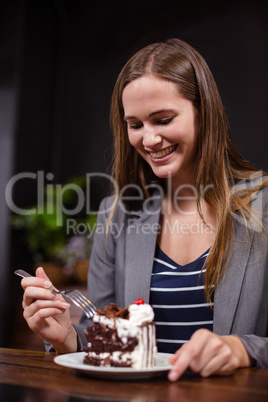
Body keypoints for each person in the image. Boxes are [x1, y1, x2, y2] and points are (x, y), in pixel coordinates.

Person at [20, 38, 268, 381]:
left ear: (204, 113)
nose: (148, 140)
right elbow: (103, 335)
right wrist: (69, 338)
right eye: (135, 124)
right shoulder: (115, 215)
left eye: (163, 119)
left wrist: (243, 349)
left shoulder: (262, 208)